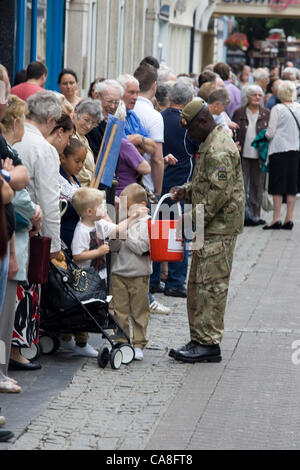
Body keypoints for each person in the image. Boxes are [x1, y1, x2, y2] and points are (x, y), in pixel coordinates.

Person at [168, 99, 245, 363]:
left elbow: (217, 195)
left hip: (218, 228)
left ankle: (208, 343)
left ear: (202, 122)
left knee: (211, 286)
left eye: (190, 130)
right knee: (198, 284)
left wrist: (190, 219)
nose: (189, 135)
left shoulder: (219, 149)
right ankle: (199, 338)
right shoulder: (210, 142)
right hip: (209, 226)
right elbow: (204, 182)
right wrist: (185, 190)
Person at [11, 91, 62, 369]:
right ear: (52, 119)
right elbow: (49, 199)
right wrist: (54, 246)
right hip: (30, 229)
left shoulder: (20, 141)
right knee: (26, 289)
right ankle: (17, 349)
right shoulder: (43, 148)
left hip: (15, 225)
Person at [0, 94, 43, 380]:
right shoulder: (4, 146)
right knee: (5, 315)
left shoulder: (9, 150)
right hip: (10, 240)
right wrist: (35, 211)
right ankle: (1, 371)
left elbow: (19, 181)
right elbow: (12, 195)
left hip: (10, 239)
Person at [150, 80, 197, 298]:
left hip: (158, 183)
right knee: (182, 234)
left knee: (158, 231)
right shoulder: (188, 126)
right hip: (182, 184)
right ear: (189, 102)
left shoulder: (157, 118)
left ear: (170, 98)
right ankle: (176, 282)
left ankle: (154, 279)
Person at [110, 183, 151, 361]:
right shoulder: (123, 223)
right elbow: (113, 247)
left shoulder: (148, 224)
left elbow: (142, 247)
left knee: (140, 310)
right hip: (119, 273)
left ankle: (139, 343)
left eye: (129, 208)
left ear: (142, 206)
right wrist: (116, 234)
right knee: (120, 311)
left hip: (139, 275)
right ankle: (121, 340)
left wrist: (126, 234)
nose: (126, 211)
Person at [263, 80, 300, 230]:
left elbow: (270, 133)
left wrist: (263, 135)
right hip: (295, 149)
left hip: (278, 150)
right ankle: (289, 219)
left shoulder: (277, 109)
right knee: (292, 185)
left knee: (277, 184)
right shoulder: (298, 108)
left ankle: (276, 218)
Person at [232, 84, 270, 226]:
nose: (257, 98)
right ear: (247, 97)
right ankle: (242, 215)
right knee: (241, 185)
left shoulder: (266, 113)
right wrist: (235, 143)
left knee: (257, 185)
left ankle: (255, 214)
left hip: (259, 155)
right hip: (242, 155)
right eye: (254, 95)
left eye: (259, 95)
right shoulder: (239, 112)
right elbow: (233, 131)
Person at [133, 63, 164, 198]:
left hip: (121, 187)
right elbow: (157, 159)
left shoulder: (124, 109)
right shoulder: (154, 116)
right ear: (154, 85)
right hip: (144, 189)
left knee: (122, 218)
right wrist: (158, 191)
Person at [59, 138, 87, 247]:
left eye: (83, 162)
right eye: (77, 161)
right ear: (63, 158)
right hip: (64, 236)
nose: (81, 165)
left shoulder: (75, 180)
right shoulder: (59, 178)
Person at [72, 98, 102, 186]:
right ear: (76, 113)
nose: (89, 126)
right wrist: (94, 176)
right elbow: (78, 172)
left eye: (93, 123)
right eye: (86, 120)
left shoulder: (83, 137)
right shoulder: (70, 136)